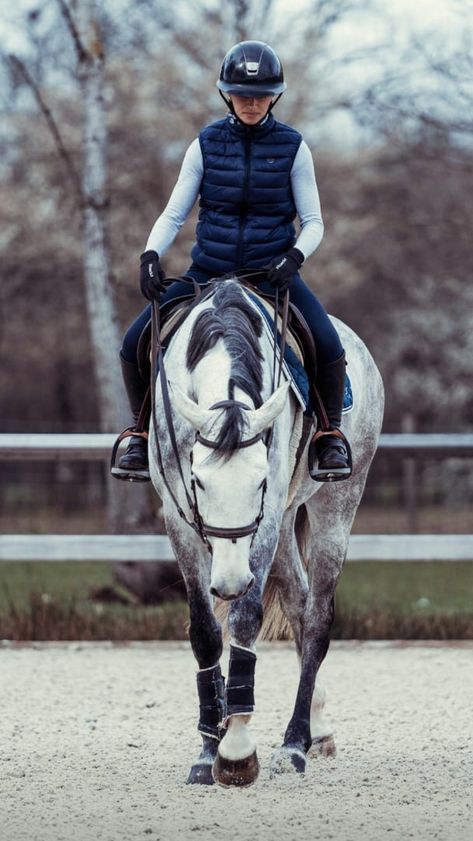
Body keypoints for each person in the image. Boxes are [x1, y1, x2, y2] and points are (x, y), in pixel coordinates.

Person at [115, 40, 351, 482]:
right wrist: (150, 255)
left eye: (261, 95)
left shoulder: (294, 148)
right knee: (133, 342)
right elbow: (174, 213)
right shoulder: (204, 144)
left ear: (275, 96)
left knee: (327, 342)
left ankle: (329, 435)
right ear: (227, 94)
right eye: (243, 95)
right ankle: (140, 433)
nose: (252, 102)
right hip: (208, 272)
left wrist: (294, 257)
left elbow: (314, 221)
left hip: (270, 276)